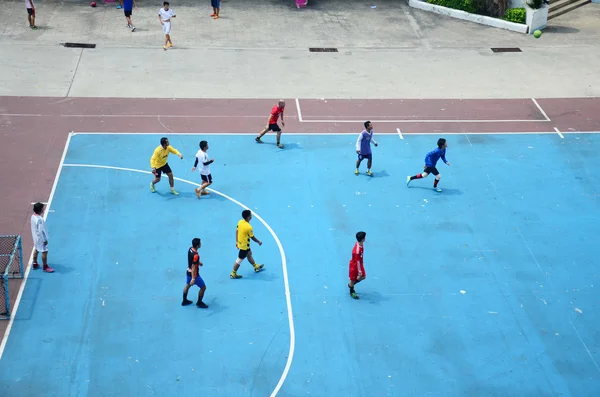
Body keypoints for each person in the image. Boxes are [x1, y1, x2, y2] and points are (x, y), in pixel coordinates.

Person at [230, 210, 264, 279]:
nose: (252, 216)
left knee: (249, 254)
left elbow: (237, 231)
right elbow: (252, 237)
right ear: (248, 217)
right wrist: (259, 242)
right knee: (239, 260)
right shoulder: (249, 227)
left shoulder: (240, 222)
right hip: (244, 246)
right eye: (251, 215)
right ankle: (233, 273)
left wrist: (236, 242)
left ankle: (255, 266)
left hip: (240, 243)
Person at [182, 238, 208, 308]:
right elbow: (193, 267)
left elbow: (192, 260)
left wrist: (198, 262)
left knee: (187, 286)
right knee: (203, 287)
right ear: (197, 246)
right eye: (200, 243)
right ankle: (199, 302)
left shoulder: (190, 249)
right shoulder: (196, 255)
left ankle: (184, 300)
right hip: (194, 275)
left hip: (188, 271)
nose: (201, 244)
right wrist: (193, 278)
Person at [30, 202, 54, 273]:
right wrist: (44, 240)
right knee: (45, 251)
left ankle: (34, 263)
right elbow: (41, 231)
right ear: (40, 210)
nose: (44, 209)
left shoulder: (33, 216)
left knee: (36, 249)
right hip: (40, 239)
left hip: (35, 238)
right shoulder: (39, 219)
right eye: (43, 208)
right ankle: (45, 267)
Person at [348, 231, 367, 299]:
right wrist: (359, 272)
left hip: (359, 263)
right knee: (354, 279)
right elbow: (357, 261)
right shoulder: (357, 250)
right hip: (355, 265)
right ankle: (351, 290)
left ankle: (350, 285)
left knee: (363, 277)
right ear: (362, 239)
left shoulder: (360, 244)